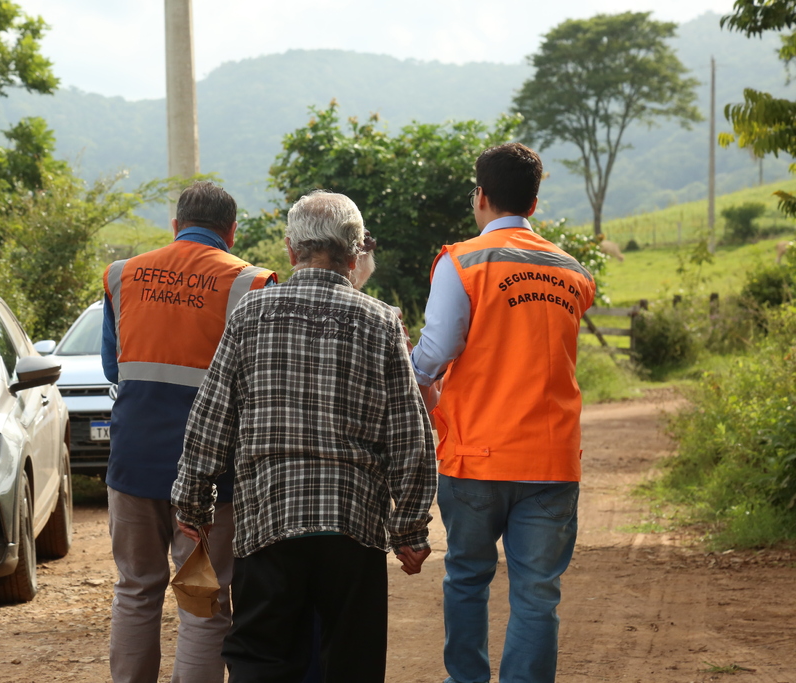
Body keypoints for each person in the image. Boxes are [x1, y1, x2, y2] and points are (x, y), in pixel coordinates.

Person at [171, 190, 436, 683]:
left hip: (268, 521)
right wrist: (409, 530)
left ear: (291, 251)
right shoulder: (381, 322)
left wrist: (192, 505)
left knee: (262, 660)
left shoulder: (251, 315)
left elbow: (210, 419)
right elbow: (410, 433)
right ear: (355, 256)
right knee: (351, 664)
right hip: (352, 528)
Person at [410, 142, 596, 683]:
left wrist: (413, 376)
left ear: (481, 197)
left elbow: (436, 351)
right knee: (537, 594)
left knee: (467, 576)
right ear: (534, 203)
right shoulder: (573, 271)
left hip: (476, 456)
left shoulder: (462, 261)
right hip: (552, 460)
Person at [101, 181, 277, 683]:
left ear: (176, 226)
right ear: (232, 230)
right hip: (212, 471)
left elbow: (115, 370)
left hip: (132, 462)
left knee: (136, 589)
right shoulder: (251, 283)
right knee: (206, 597)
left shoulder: (122, 275)